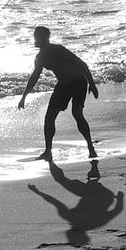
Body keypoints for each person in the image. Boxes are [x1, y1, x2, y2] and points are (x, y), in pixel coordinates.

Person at [17, 26, 99, 161]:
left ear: (46, 38)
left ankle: (90, 147)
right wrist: (23, 97)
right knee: (49, 118)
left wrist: (92, 83)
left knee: (77, 114)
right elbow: (34, 77)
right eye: (35, 36)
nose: (35, 39)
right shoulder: (40, 57)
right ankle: (48, 151)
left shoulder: (58, 49)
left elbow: (81, 64)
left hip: (79, 82)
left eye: (38, 37)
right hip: (63, 85)